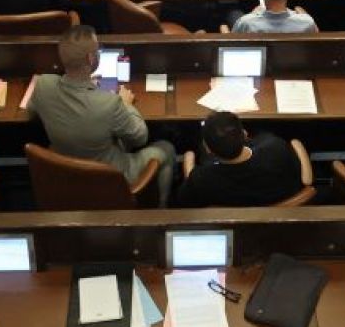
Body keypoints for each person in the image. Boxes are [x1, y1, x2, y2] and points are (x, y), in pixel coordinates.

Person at [27, 24, 176, 201]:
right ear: (91, 59)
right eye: (98, 50)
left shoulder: (43, 85)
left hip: (64, 168)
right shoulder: (110, 103)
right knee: (166, 149)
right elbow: (140, 137)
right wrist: (126, 103)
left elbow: (31, 113)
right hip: (108, 174)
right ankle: (162, 208)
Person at [175, 111, 304, 208]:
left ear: (208, 149)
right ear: (245, 134)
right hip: (272, 213)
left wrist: (189, 163)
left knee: (189, 156)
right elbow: (296, 175)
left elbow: (184, 201)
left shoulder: (201, 178)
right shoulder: (276, 148)